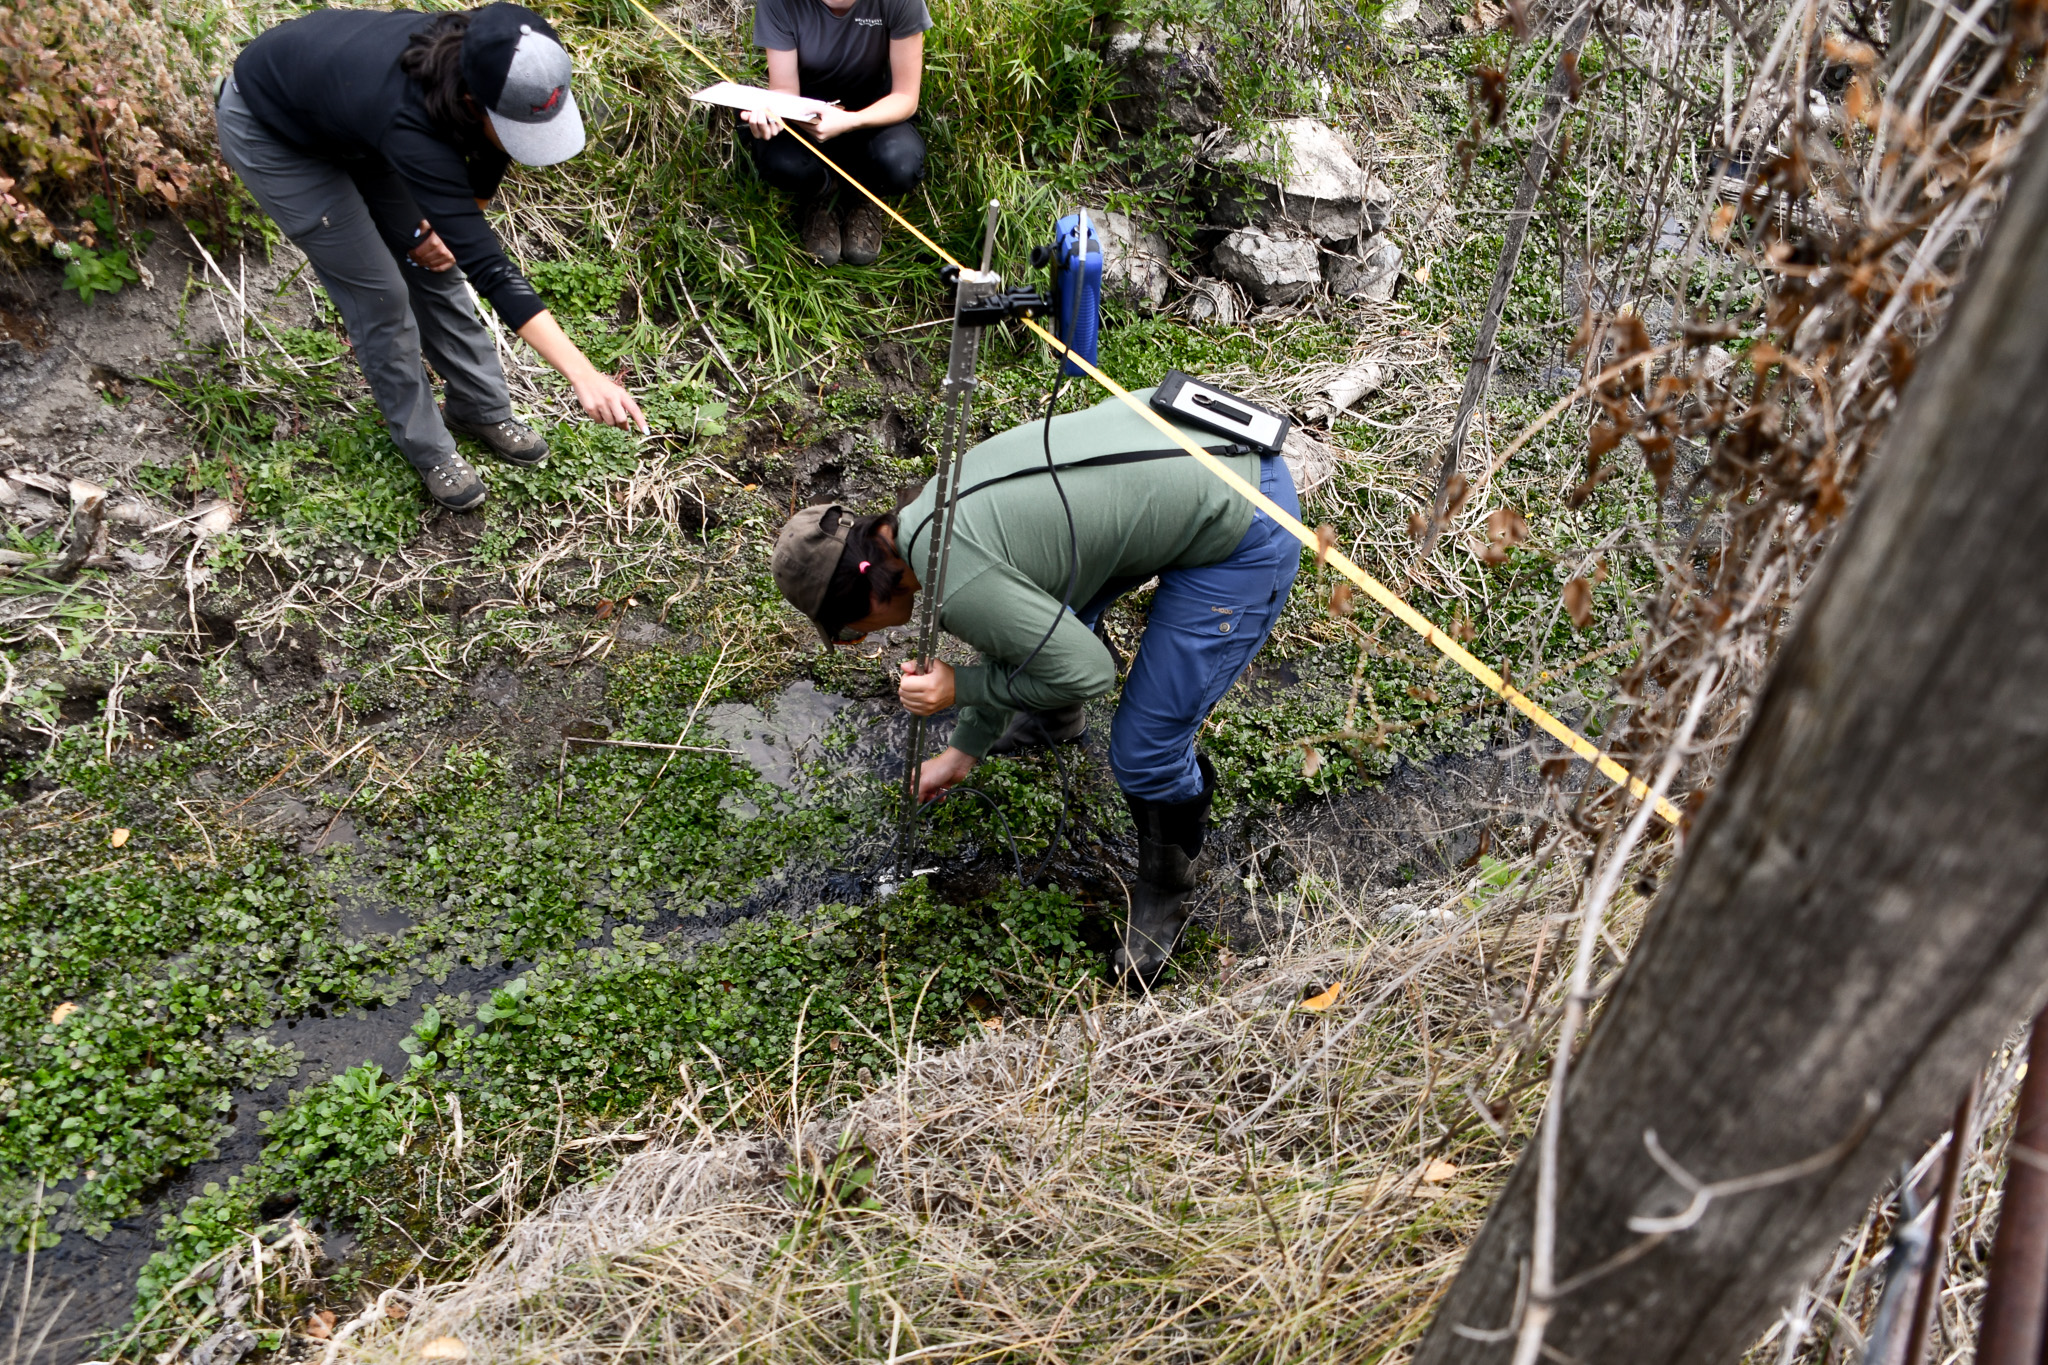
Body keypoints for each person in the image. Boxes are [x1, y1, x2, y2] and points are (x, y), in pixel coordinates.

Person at [770, 390, 1301, 983]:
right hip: (1190, 442)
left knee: (1145, 749)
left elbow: (1089, 672)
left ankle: (1167, 891)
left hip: (1247, 513)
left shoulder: (953, 584)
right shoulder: (924, 514)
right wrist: (961, 752)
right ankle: (1053, 716)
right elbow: (1013, 624)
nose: (857, 640)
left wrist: (961, 688)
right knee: (1051, 600)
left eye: (847, 631)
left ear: (868, 596)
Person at [216, 4, 647, 513]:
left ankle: (479, 408)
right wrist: (583, 374)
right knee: (381, 294)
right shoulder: (410, 122)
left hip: (351, 116)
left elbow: (494, 148)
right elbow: (490, 268)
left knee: (434, 262)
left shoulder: (513, 48)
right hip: (275, 131)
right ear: (471, 102)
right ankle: (429, 448)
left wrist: (459, 220)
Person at [740, 0, 931, 267]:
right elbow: (785, 89)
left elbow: (905, 97)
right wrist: (771, 112)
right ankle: (821, 194)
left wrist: (852, 121)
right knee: (778, 161)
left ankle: (865, 196)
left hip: (876, 116)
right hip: (809, 118)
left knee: (901, 164)